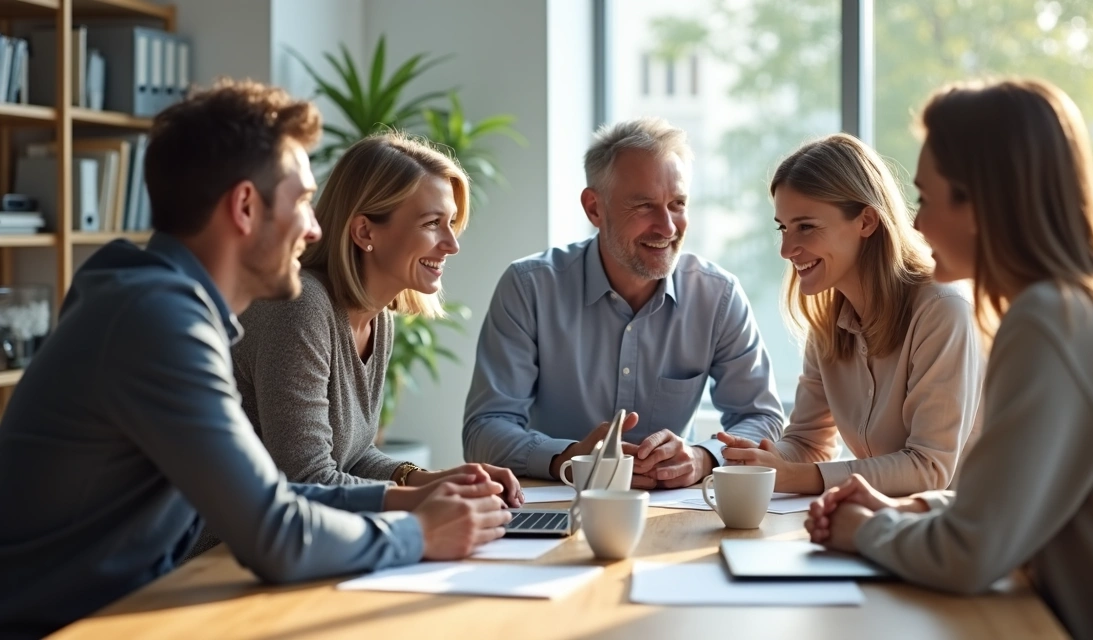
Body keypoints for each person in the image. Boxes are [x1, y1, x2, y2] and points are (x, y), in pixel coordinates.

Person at [0, 80, 510, 639]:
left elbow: (271, 495)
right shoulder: (157, 320)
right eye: (301, 201)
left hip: (130, 606)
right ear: (245, 207)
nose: (315, 228)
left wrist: (411, 496)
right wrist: (421, 532)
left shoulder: (163, 304)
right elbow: (274, 534)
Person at [805, 78, 1093, 639]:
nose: (917, 224)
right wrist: (911, 509)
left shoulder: (1054, 322)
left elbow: (969, 555)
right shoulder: (1081, 309)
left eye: (926, 197)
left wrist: (862, 530)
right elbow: (1014, 501)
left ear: (979, 202)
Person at [463, 117, 784, 489]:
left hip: (674, 510)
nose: (667, 227)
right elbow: (484, 430)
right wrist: (571, 458)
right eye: (645, 206)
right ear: (594, 208)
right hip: (558, 503)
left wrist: (702, 456)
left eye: (677, 204)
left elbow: (762, 419)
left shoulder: (718, 295)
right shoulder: (529, 288)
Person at [231, 132, 522, 503]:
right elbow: (308, 479)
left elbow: (353, 457)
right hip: (222, 550)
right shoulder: (300, 307)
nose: (452, 244)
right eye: (433, 223)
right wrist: (428, 499)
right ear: (365, 230)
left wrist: (435, 479)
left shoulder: (376, 316)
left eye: (450, 223)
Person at [716, 134, 983, 497]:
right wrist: (759, 461)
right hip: (886, 528)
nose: (786, 249)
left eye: (806, 226)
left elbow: (929, 468)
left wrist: (790, 476)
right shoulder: (829, 321)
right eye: (783, 227)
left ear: (866, 222)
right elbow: (809, 442)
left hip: (964, 536)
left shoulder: (943, 309)